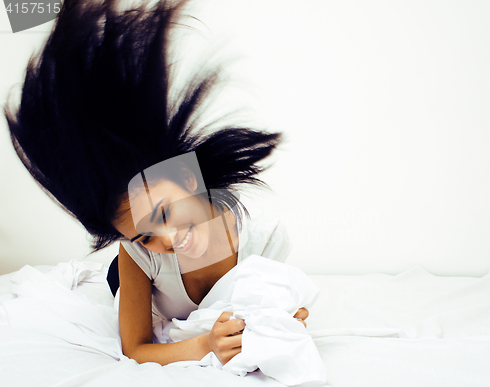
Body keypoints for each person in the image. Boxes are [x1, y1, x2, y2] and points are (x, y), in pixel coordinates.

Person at [3, 0, 308, 366]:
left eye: (163, 212)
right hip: (139, 279)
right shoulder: (139, 253)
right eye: (145, 234)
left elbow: (274, 313)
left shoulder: (264, 239)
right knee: (124, 265)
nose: (167, 239)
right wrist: (204, 345)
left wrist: (285, 321)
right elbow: (135, 348)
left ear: (185, 176)